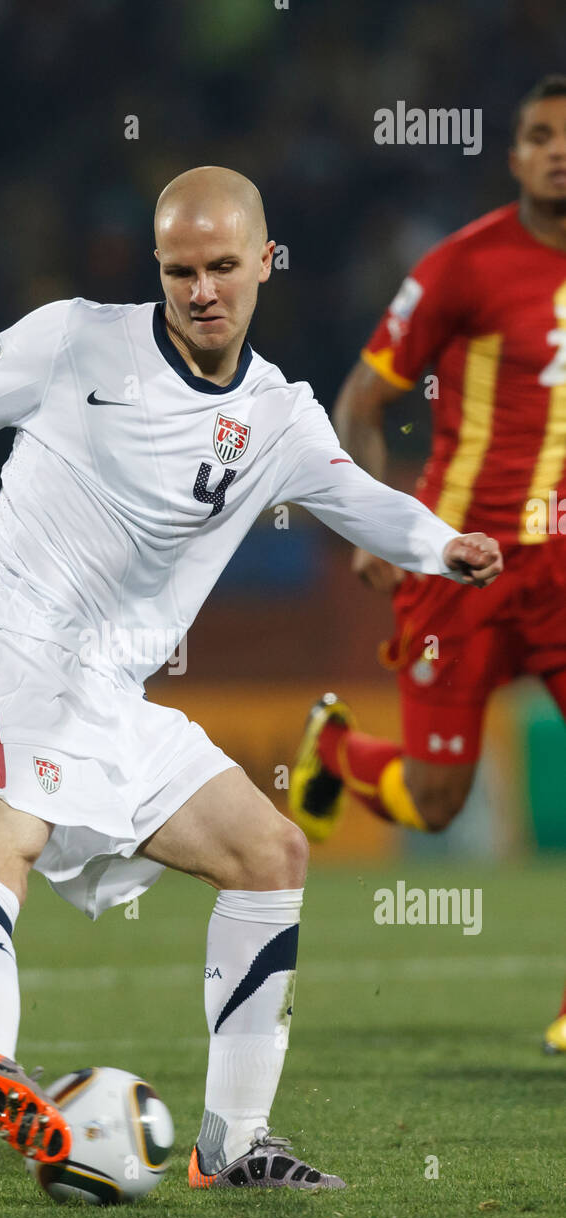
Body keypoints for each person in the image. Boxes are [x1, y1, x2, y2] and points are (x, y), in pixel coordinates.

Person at [0, 166, 502, 1191]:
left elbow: (356, 497)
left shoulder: (278, 415)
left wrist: (440, 543)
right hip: (2, 641)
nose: (200, 289)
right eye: (179, 269)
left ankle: (234, 1145)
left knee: (268, 849)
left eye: (222, 267)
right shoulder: (72, 340)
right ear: (157, 267)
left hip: (108, 693)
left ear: (265, 262)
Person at [287, 77, 566, 1056]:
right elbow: (359, 400)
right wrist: (370, 521)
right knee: (437, 800)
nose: (555, 151)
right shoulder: (463, 264)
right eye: (537, 135)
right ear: (513, 155)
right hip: (459, 565)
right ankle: (331, 753)